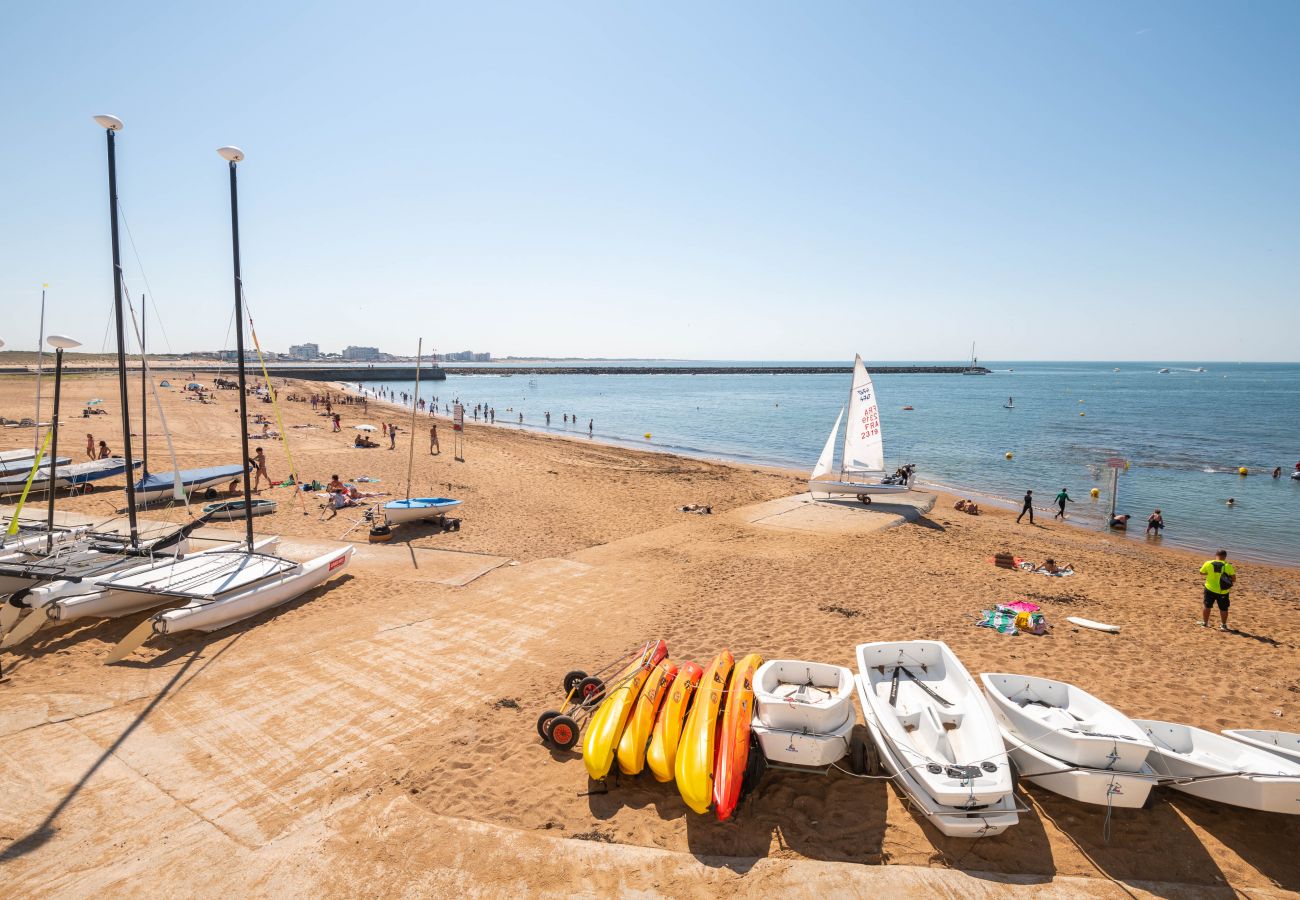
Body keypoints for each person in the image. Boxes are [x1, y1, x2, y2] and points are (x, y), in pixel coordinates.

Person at [1199, 549, 1237, 631]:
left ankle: (1205, 623)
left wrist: (1210, 573)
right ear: (1225, 557)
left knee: (1207, 606)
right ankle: (1223, 626)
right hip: (1223, 591)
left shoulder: (1208, 563)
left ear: (1215, 555)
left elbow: (1201, 573)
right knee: (1223, 608)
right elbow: (1234, 579)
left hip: (1209, 588)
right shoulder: (1227, 566)